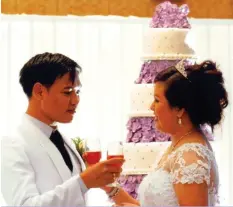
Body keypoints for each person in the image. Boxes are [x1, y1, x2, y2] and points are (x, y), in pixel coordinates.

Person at [1, 52, 125, 206]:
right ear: (39, 91)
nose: (76, 100)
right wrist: (83, 182)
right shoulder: (12, 144)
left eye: (77, 92)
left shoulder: (63, 140)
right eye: (68, 92)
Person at [101, 60, 228, 206]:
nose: (151, 107)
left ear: (179, 109)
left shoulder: (190, 155)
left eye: (157, 100)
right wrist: (110, 187)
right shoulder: (179, 147)